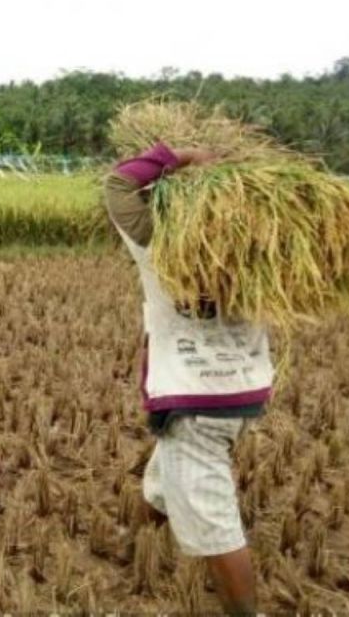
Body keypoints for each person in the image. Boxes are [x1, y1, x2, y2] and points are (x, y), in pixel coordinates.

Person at [105, 143, 273, 617]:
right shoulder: (258, 253)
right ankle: (136, 544)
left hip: (195, 403)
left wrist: (180, 154)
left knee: (213, 522)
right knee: (164, 478)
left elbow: (120, 182)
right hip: (242, 392)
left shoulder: (158, 246)